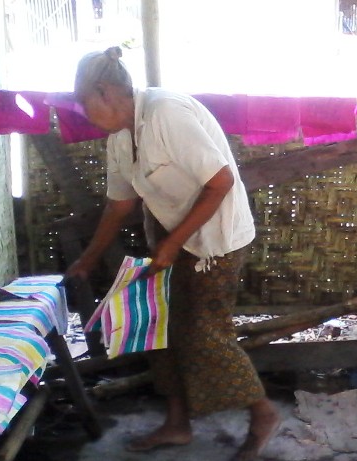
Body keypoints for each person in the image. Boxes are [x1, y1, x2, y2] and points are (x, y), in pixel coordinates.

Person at [66, 46, 279, 461]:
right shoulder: (120, 137)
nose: (83, 113)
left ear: (106, 91)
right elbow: (119, 204)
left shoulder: (166, 113)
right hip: (170, 237)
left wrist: (173, 242)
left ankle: (263, 414)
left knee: (203, 333)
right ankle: (177, 423)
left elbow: (220, 183)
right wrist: (89, 258)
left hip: (215, 239)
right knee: (159, 327)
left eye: (84, 102)